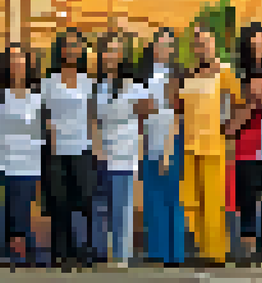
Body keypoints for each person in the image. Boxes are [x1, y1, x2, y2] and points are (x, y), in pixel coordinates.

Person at [176, 24, 241, 267]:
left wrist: (231, 127)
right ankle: (202, 249)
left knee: (213, 200)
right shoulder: (190, 73)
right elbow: (180, 106)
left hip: (214, 145)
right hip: (190, 145)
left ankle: (216, 253)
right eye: (198, 44)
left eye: (205, 42)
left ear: (214, 44)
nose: (202, 47)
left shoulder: (224, 71)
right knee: (193, 200)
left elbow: (242, 102)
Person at [41, 29, 95, 270]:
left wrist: (96, 146)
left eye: (76, 46)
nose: (72, 50)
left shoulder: (88, 82)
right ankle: (60, 252)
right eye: (68, 46)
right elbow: (43, 115)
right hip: (56, 150)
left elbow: (92, 116)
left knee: (83, 200)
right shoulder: (48, 82)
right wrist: (49, 136)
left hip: (82, 148)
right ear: (60, 50)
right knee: (58, 201)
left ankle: (84, 249)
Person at [226, 24, 262, 264]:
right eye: (254, 43)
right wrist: (249, 104)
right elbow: (229, 126)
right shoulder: (235, 77)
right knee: (247, 200)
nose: (258, 48)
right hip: (246, 149)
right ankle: (247, 250)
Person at [93, 33, 141, 268]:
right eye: (108, 50)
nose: (112, 55)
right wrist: (97, 147)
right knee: (103, 206)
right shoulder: (98, 86)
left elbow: (144, 118)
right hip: (103, 153)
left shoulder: (134, 86)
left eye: (116, 50)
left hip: (125, 153)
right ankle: (103, 253)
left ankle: (122, 256)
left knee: (123, 206)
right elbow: (93, 119)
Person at [138, 28, 184, 266]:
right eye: (160, 44)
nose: (164, 49)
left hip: (170, 140)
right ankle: (156, 251)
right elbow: (140, 112)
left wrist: (168, 150)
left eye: (168, 45)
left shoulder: (175, 77)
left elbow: (175, 115)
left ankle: (173, 253)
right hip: (148, 141)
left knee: (171, 197)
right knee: (152, 198)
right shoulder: (143, 76)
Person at [0, 42, 43, 268]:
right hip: (4, 161)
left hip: (29, 162)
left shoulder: (37, 95)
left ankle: (21, 253)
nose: (17, 64)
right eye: (12, 59)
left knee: (22, 207)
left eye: (21, 59)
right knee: (7, 207)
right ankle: (12, 251)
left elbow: (41, 128)